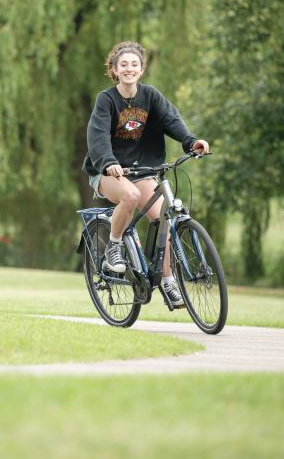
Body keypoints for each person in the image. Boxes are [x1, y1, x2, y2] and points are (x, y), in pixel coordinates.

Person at [82, 41, 209, 308]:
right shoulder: (106, 100)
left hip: (142, 169)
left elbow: (171, 120)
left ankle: (168, 281)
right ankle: (113, 247)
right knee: (129, 196)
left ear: (141, 69)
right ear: (114, 70)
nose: (129, 69)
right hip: (109, 171)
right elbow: (98, 137)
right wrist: (108, 162)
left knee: (166, 219)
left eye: (134, 64)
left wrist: (191, 141)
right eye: (123, 64)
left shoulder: (150, 96)